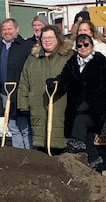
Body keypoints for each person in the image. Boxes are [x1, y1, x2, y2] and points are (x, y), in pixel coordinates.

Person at [56, 34, 106, 170]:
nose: (83, 48)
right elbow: (65, 79)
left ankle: (79, 149)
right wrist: (55, 84)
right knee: (88, 138)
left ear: (92, 46)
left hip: (94, 107)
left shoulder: (100, 61)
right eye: (79, 45)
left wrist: (97, 98)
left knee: (82, 127)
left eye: (86, 44)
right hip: (75, 106)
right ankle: (94, 163)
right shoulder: (72, 62)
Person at [17, 25, 74, 153]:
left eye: (50, 37)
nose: (47, 41)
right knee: (41, 144)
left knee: (60, 143)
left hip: (62, 107)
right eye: (44, 38)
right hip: (38, 107)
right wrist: (23, 105)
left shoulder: (68, 56)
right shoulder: (33, 59)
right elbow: (24, 83)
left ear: (58, 38)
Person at [73, 19, 106, 168]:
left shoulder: (100, 47)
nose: (83, 33)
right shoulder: (73, 47)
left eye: (86, 30)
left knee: (99, 128)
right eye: (80, 31)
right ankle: (86, 156)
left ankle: (101, 158)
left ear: (92, 32)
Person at [0, 18, 32, 149]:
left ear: (16, 29)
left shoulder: (25, 46)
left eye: (9, 29)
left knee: (24, 126)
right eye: (4, 29)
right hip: (5, 93)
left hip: (20, 93)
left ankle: (30, 154)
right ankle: (18, 155)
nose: (7, 32)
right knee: (12, 127)